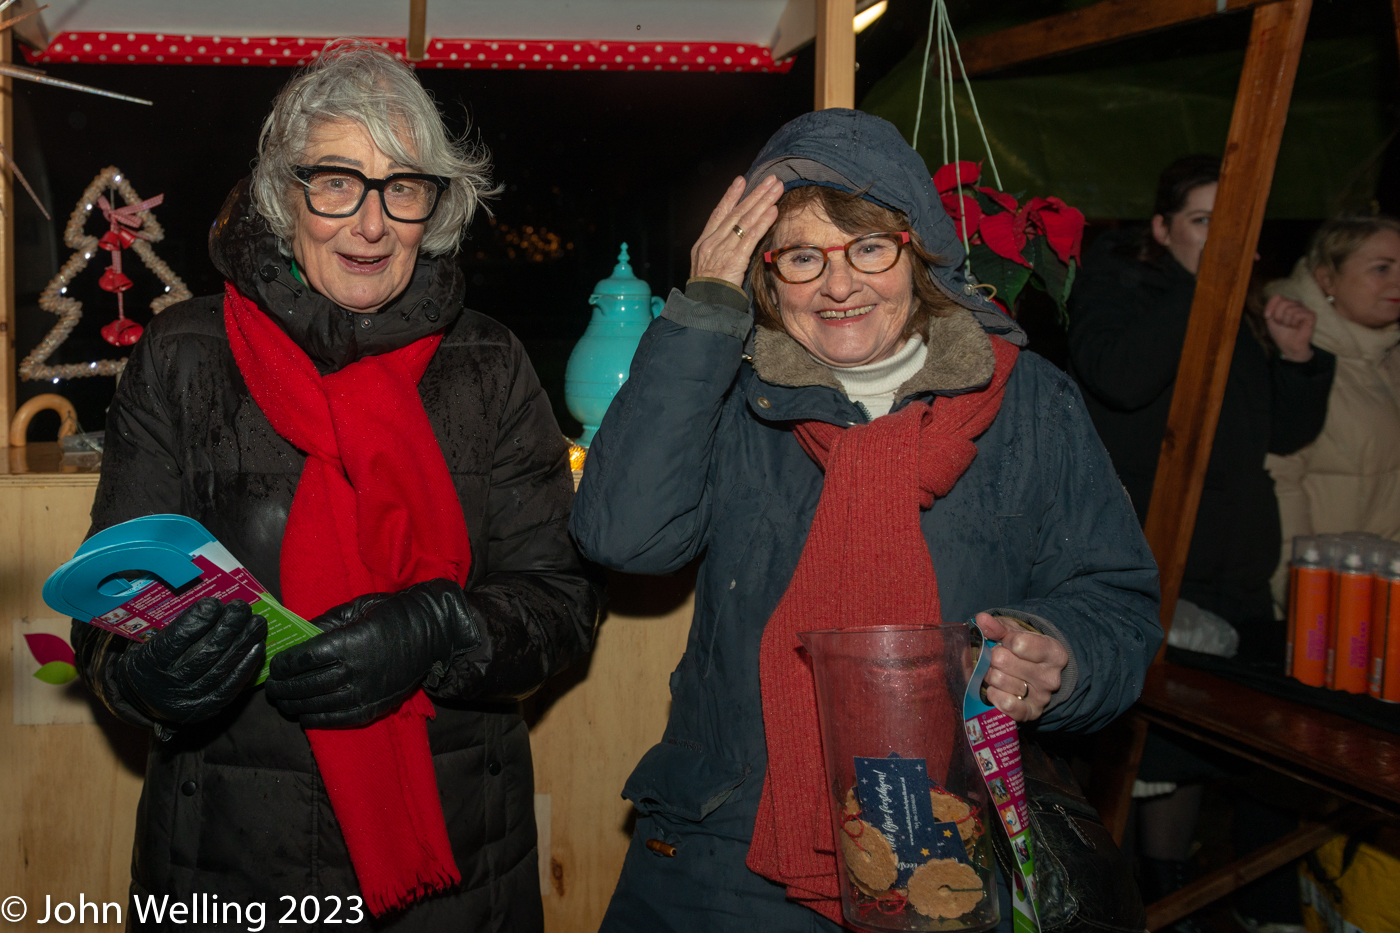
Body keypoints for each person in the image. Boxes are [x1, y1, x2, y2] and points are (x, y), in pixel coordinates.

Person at [570, 108, 1161, 933]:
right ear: (766, 273)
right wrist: (702, 313)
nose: (839, 285)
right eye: (803, 256)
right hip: (730, 851)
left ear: (918, 252)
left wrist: (1060, 652)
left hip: (955, 850)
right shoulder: (730, 395)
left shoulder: (1030, 403)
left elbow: (1116, 603)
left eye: (869, 247)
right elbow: (624, 536)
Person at [71, 42, 598, 931]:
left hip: (454, 873)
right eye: (337, 182)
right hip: (226, 865)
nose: (371, 223)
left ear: (435, 205)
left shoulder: (490, 365)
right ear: (285, 195)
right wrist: (146, 676)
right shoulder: (184, 357)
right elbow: (107, 611)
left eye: (403, 187)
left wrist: (439, 629)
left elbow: (562, 606)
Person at [1067, 155, 1335, 929]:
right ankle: (1137, 902)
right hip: (1157, 564)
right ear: (1161, 228)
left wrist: (1296, 359)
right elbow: (1119, 377)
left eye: (1233, 225)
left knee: (1212, 757)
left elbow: (1279, 432)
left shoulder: (1239, 305)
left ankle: (1183, 896)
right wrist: (1206, 286)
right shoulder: (1120, 285)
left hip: (1235, 568)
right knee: (1146, 756)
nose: (1221, 239)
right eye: (1202, 221)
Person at [1265, 215, 1400, 603]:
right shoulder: (1301, 362)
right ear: (1327, 279)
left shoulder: (1387, 356)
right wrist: (1303, 595)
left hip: (1382, 595)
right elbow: (1280, 485)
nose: (1397, 282)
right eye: (1382, 268)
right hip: (1332, 603)